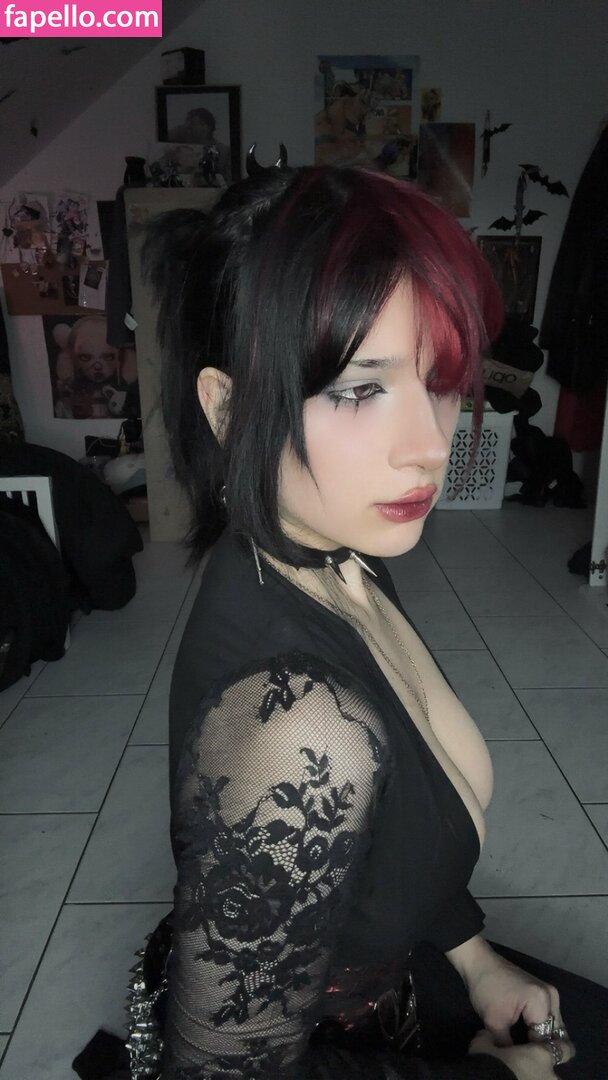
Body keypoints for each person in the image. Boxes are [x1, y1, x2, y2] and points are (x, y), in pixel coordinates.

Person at [79, 166, 607, 1080]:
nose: (431, 445)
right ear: (228, 409)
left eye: (439, 380)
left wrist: (475, 958)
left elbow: (398, 834)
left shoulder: (337, 554)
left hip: (408, 975)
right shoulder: (297, 725)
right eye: (361, 390)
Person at [167, 106, 231, 182]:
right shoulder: (184, 148)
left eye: (201, 123)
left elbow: (228, 178)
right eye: (192, 124)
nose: (192, 127)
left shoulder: (223, 150)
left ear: (208, 126)